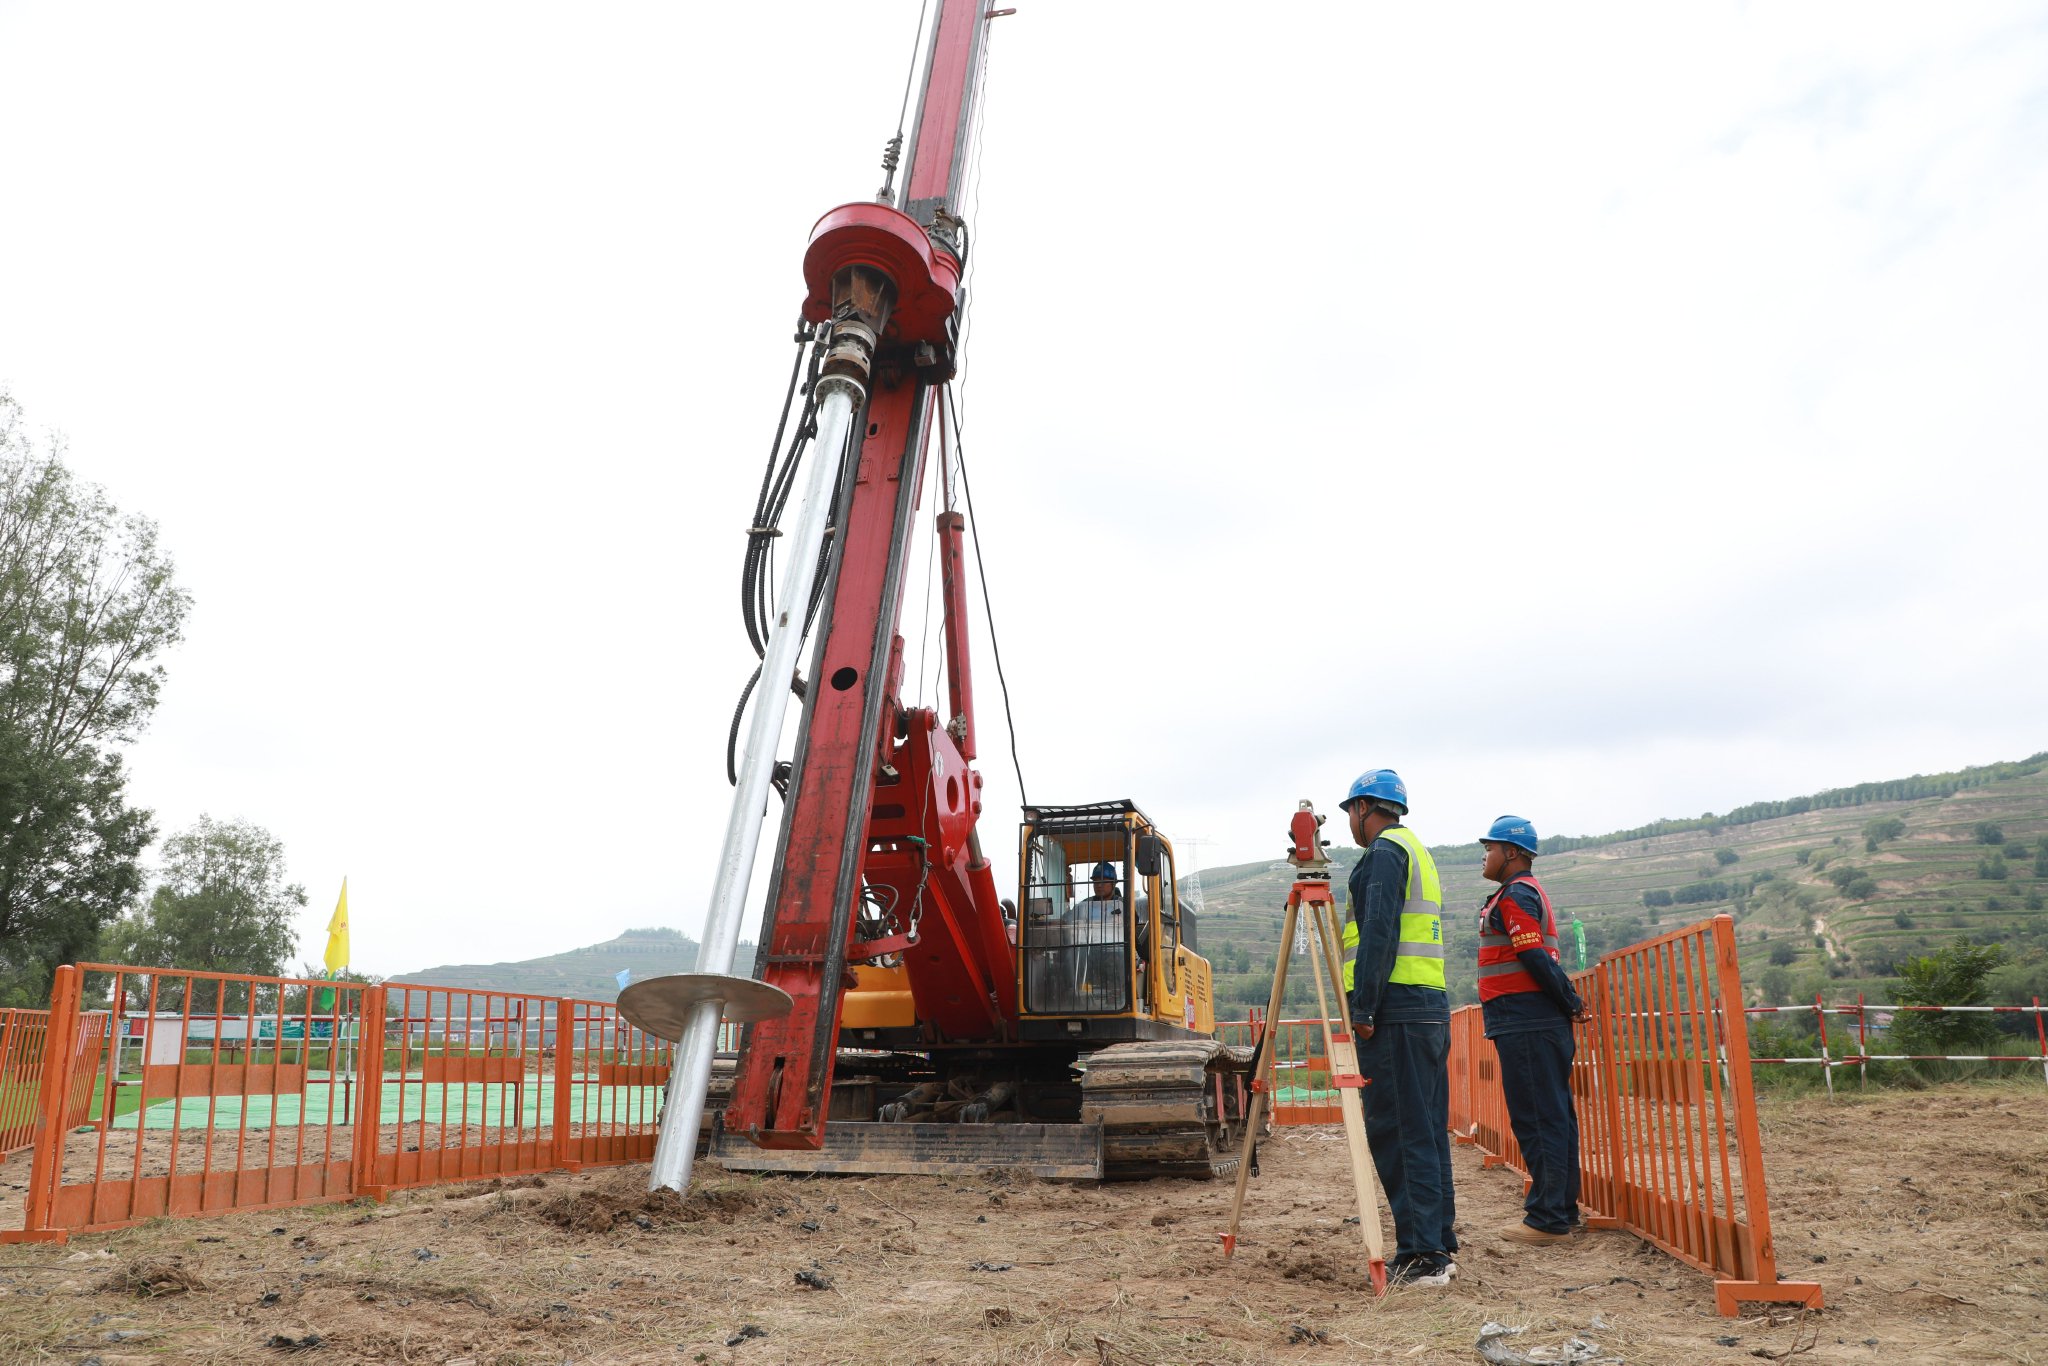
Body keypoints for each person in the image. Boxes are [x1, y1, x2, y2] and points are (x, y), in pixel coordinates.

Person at [1340, 768, 1457, 1287]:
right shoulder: (1416, 850)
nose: (1348, 821)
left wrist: (1362, 1008)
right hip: (1425, 1006)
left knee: (1403, 1133)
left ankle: (1424, 1257)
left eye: (1349, 811)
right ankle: (1436, 1244)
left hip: (1398, 1012)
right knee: (1426, 1131)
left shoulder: (1386, 854)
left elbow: (1379, 933)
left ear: (1366, 808)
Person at [1476, 815, 1592, 1245]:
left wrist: (1569, 1000)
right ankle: (1561, 1210)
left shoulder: (1516, 895)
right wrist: (1567, 1003)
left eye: (1489, 848)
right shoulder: (1524, 893)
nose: (1483, 856)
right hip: (1535, 1019)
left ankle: (1547, 1220)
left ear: (1511, 852)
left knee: (1538, 1118)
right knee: (1555, 1116)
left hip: (1526, 1019)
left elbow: (1534, 958)